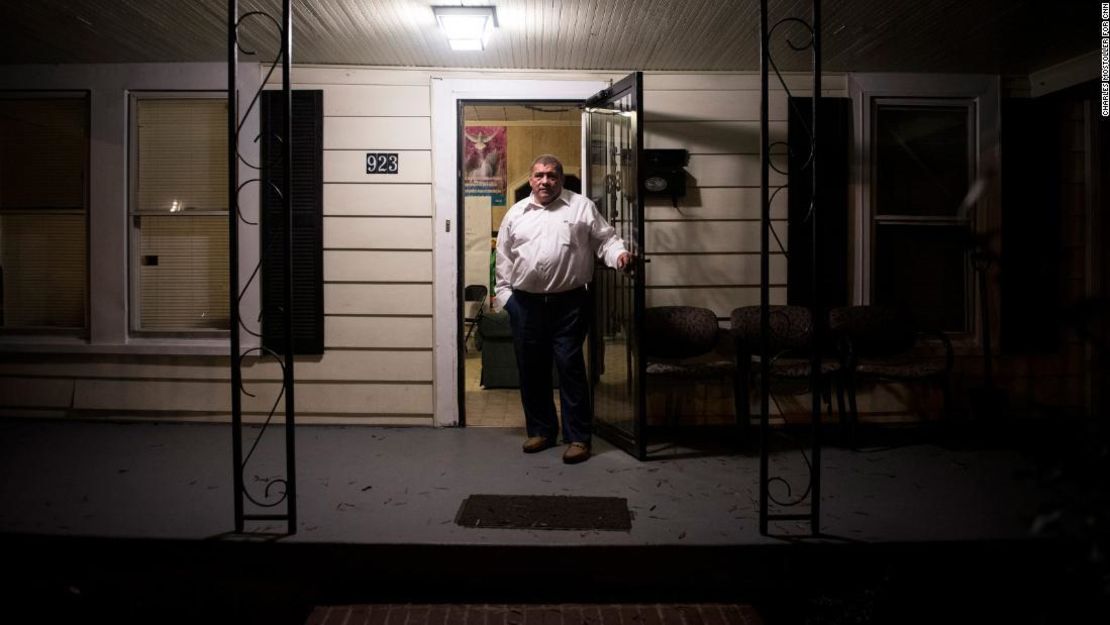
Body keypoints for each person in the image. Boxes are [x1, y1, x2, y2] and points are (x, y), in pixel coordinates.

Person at [494, 154, 633, 464]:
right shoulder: (516, 214)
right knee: (532, 370)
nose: (546, 181)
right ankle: (542, 431)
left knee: (570, 367)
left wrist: (620, 255)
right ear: (531, 180)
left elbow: (606, 240)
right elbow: (503, 261)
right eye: (540, 175)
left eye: (552, 175)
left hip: (569, 303)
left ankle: (578, 438)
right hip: (526, 304)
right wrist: (508, 300)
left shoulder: (581, 206)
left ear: (561, 178)